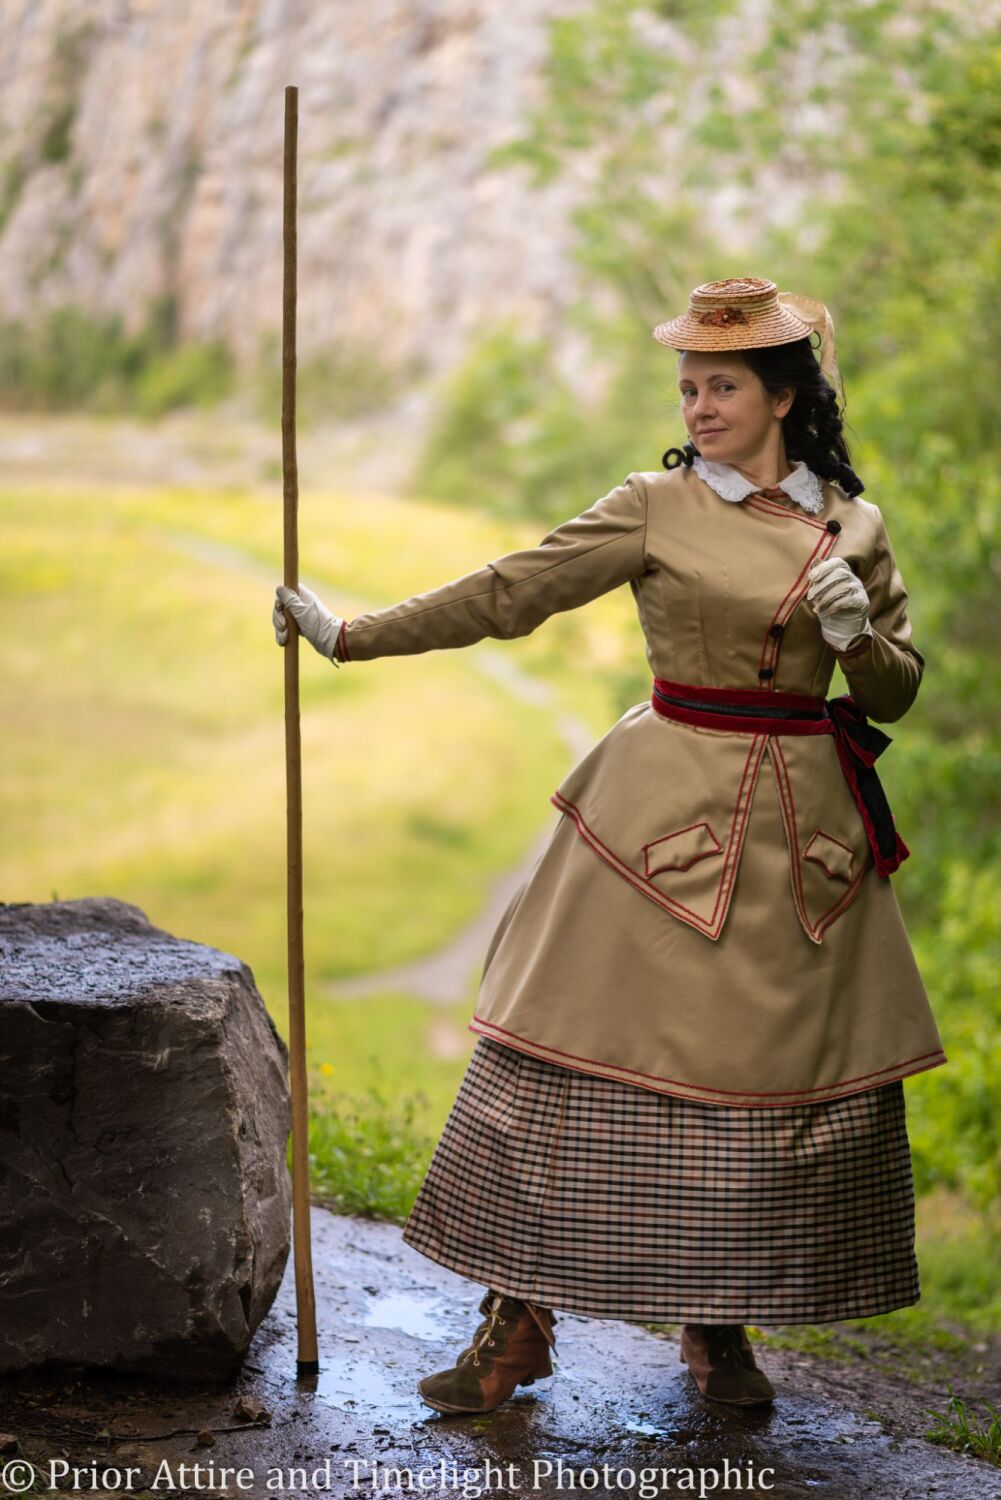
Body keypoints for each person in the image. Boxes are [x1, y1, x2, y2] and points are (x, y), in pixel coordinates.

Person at [272, 276, 946, 1415]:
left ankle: (717, 1328)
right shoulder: (653, 505)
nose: (695, 406)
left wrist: (854, 632)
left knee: (757, 1090)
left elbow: (894, 685)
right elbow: (509, 592)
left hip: (805, 845)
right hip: (654, 822)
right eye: (686, 387)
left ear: (782, 394)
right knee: (574, 1065)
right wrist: (348, 634)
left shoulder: (854, 526)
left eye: (720, 385)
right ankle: (514, 1324)